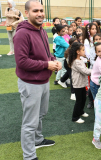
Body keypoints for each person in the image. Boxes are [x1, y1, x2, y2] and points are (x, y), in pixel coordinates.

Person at [14, 1, 61, 159]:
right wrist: (47, 64)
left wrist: (53, 60)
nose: (40, 13)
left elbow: (45, 53)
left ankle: (38, 140)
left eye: (41, 10)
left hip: (43, 80)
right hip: (30, 83)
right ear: (27, 13)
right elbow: (22, 62)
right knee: (30, 123)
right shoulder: (22, 33)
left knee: (41, 114)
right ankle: (29, 156)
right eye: (35, 11)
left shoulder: (41, 29)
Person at [68, 42, 91, 123]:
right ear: (78, 52)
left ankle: (80, 111)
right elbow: (85, 71)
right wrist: (96, 71)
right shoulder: (76, 62)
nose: (84, 51)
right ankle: (75, 117)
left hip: (82, 83)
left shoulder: (80, 59)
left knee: (83, 99)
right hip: (78, 84)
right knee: (79, 101)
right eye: (83, 50)